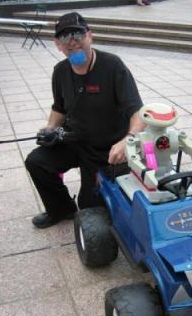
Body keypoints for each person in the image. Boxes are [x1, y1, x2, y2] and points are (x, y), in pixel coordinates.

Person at [25, 12, 145, 229]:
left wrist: (127, 141)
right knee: (36, 162)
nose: (72, 42)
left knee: (91, 208)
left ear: (90, 36)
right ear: (57, 45)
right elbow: (59, 108)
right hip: (74, 140)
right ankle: (61, 209)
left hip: (108, 149)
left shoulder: (112, 66)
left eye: (78, 34)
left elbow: (138, 113)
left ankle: (87, 202)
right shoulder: (60, 71)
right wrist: (50, 128)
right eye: (64, 37)